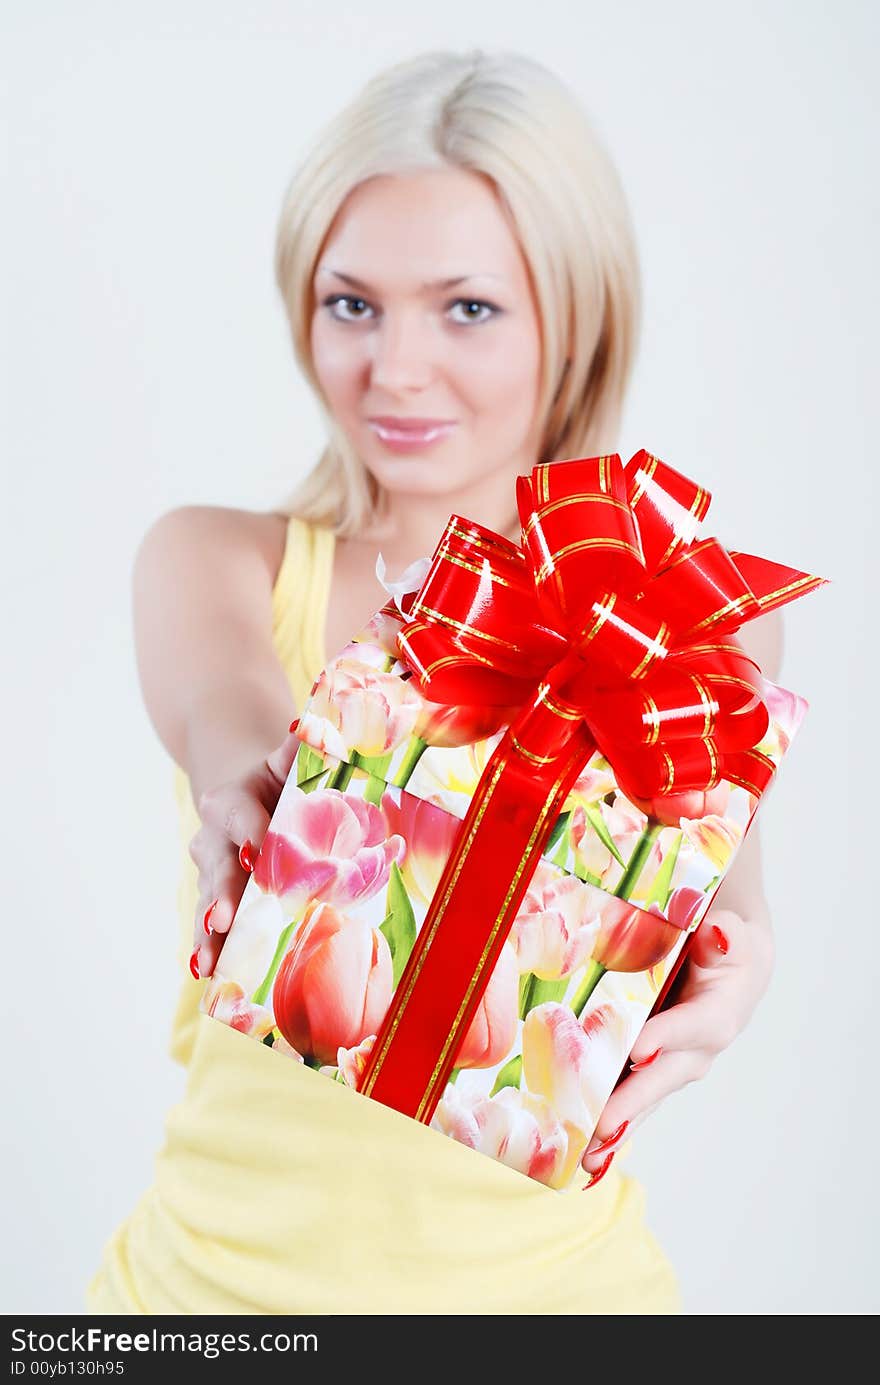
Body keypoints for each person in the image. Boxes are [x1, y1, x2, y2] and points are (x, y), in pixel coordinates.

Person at [86, 47, 781, 1315]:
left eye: (466, 308)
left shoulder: (677, 615)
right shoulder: (218, 562)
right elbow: (229, 715)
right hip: (202, 1302)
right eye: (352, 303)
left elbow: (720, 889)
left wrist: (739, 954)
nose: (396, 369)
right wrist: (250, 786)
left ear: (575, 321)